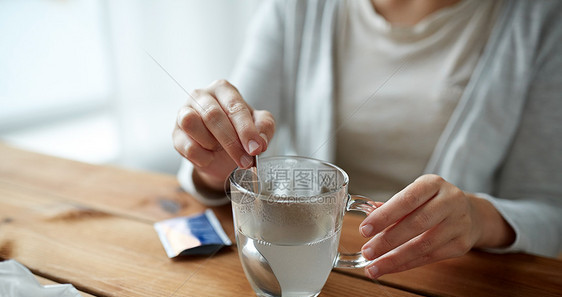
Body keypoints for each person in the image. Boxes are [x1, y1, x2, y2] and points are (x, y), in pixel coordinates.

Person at [172, 0, 562, 279]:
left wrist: (477, 218)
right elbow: (230, 151)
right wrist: (217, 161)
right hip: (291, 258)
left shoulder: (542, 21)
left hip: (451, 283)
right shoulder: (297, 8)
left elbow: (550, 212)